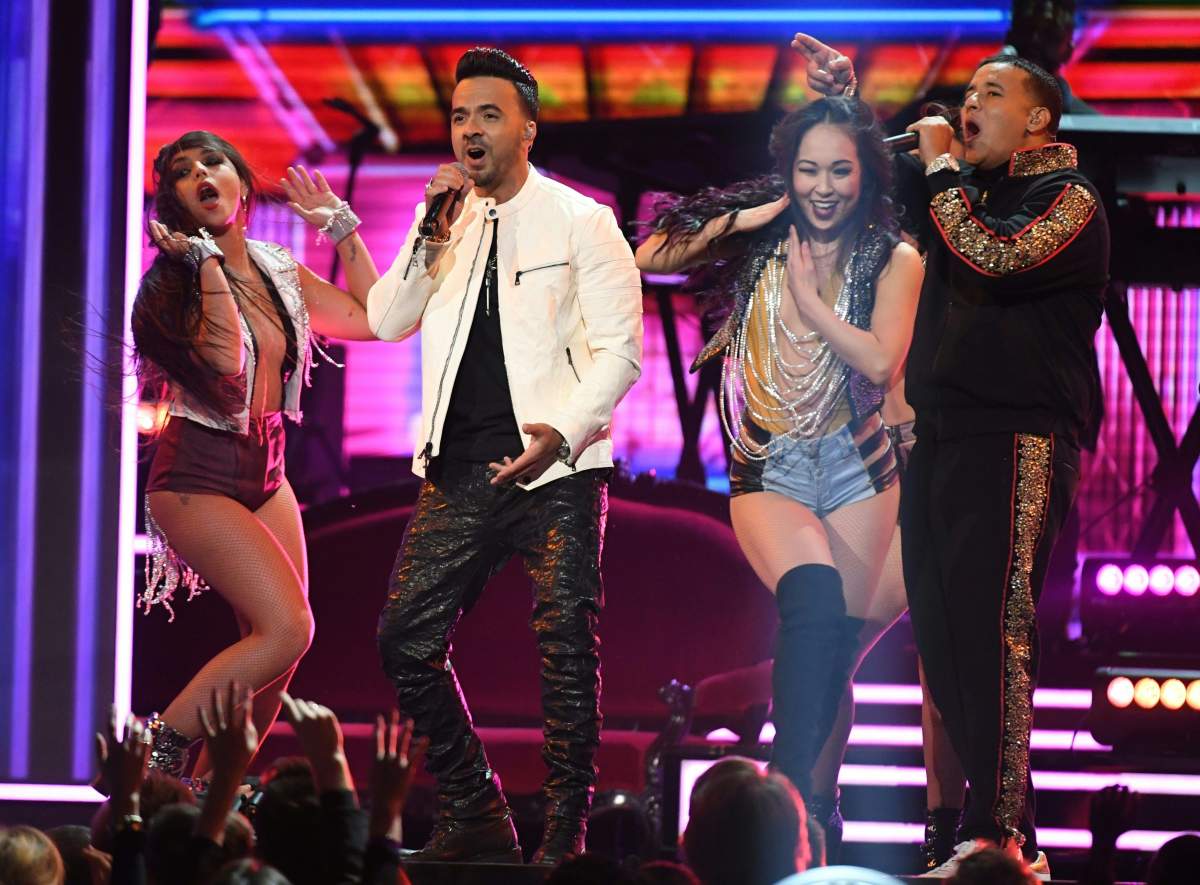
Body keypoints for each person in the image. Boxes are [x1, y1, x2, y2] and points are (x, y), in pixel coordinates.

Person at [798, 33, 1109, 880]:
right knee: (944, 641)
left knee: (993, 635)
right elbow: (858, 178)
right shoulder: (962, 190)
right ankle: (1005, 835)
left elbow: (996, 257)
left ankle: (999, 834)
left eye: (991, 94)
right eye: (967, 92)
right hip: (939, 436)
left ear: (1038, 119)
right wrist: (847, 100)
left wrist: (941, 169)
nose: (969, 104)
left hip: (1018, 438)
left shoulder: (1068, 196)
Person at [368, 47, 643, 865]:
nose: (470, 131)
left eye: (489, 115)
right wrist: (427, 229)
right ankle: (475, 807)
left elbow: (621, 351)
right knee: (404, 639)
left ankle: (564, 835)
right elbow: (387, 319)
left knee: (564, 643)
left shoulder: (583, 219)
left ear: (528, 129)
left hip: (556, 468)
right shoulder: (446, 221)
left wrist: (563, 430)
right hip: (460, 469)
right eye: (460, 117)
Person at [636, 96, 923, 840]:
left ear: (867, 174)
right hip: (771, 466)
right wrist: (750, 218)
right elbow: (651, 255)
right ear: (787, 174)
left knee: (831, 656)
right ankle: (786, 802)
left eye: (840, 170)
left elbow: (880, 362)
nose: (823, 187)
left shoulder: (895, 259)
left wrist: (810, 302)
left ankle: (816, 813)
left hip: (862, 467)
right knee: (814, 606)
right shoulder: (765, 240)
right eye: (807, 170)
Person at [131, 130, 380, 777]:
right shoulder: (173, 286)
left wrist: (341, 227)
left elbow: (373, 320)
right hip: (197, 475)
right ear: (176, 202)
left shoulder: (275, 267)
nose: (200, 174)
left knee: (278, 648)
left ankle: (214, 794)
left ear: (240, 183)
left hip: (268, 468)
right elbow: (226, 364)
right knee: (288, 628)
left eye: (213, 162)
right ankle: (155, 754)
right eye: (183, 172)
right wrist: (207, 264)